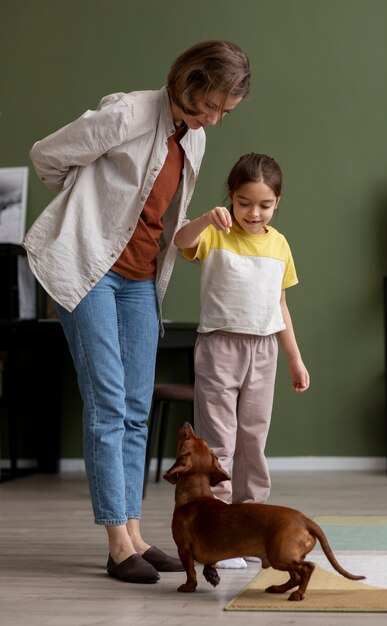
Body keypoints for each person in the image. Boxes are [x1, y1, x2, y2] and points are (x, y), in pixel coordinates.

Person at [23, 41, 251, 584]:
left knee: (133, 407)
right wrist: (87, 209)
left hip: (142, 280)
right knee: (106, 402)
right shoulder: (127, 113)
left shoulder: (190, 139)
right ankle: (115, 543)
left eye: (226, 112)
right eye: (213, 105)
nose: (215, 120)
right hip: (92, 272)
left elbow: (162, 217)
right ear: (190, 82)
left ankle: (136, 534)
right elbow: (46, 157)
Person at [174, 153, 310, 568]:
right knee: (219, 439)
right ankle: (219, 528)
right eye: (244, 202)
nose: (253, 212)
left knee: (253, 438)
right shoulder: (216, 233)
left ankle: (252, 524)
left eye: (264, 205)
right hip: (219, 346)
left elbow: (280, 305)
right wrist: (204, 220)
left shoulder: (279, 245)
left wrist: (295, 360)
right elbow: (180, 240)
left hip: (264, 349)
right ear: (230, 198)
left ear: (277, 203)